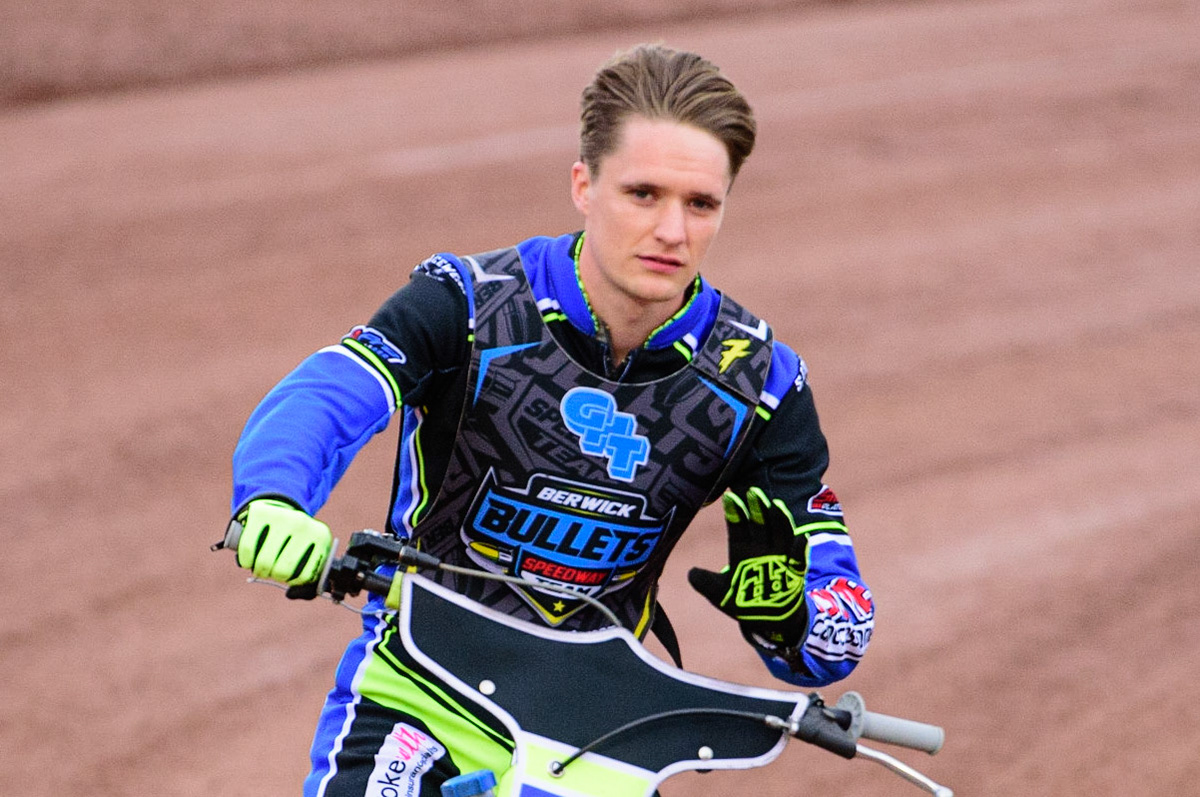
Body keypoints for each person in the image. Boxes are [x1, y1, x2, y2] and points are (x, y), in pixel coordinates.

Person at [224, 43, 874, 796]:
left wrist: (793, 613)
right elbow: (327, 395)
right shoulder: (469, 303)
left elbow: (835, 640)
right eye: (643, 193)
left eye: (701, 204)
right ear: (583, 185)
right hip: (419, 694)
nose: (672, 230)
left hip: (600, 739)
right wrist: (274, 498)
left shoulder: (760, 382)